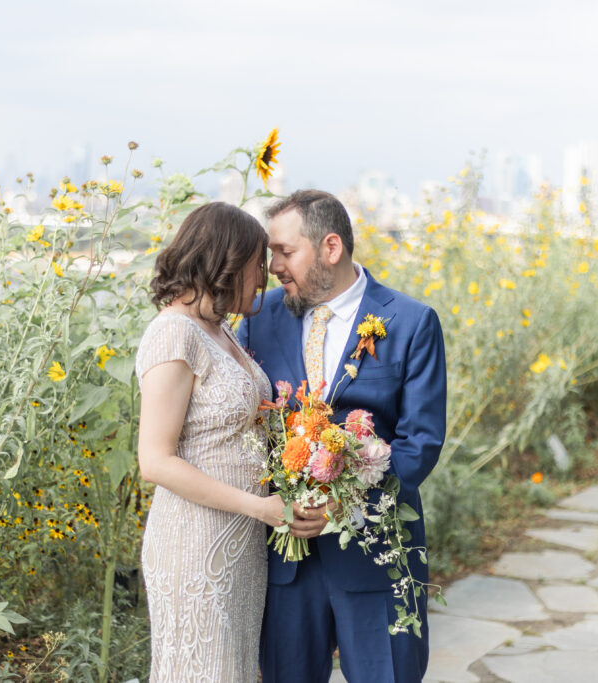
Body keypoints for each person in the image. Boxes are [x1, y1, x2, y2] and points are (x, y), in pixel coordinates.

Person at [237, 190, 447, 683]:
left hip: (376, 554)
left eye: (285, 252)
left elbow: (421, 443)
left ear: (331, 247)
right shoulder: (258, 317)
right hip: (286, 561)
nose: (273, 267)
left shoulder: (412, 323)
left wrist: (344, 504)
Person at [135, 202, 300, 682]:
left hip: (241, 543)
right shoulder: (173, 335)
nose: (266, 273)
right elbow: (156, 461)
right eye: (256, 262)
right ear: (224, 262)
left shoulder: (218, 329)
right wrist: (259, 507)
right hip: (195, 542)